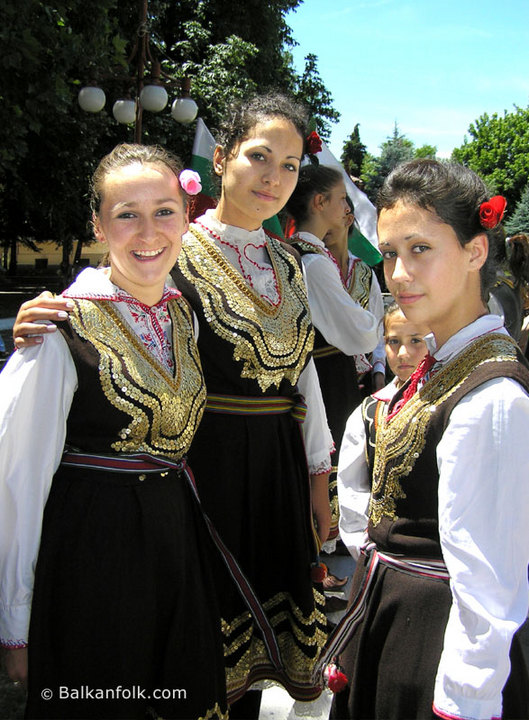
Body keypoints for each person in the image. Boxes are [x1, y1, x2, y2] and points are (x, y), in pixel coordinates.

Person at [12, 92, 333, 718]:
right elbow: (113, 298)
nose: (273, 178)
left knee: (222, 661)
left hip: (268, 472)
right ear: (221, 159)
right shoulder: (173, 251)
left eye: (291, 165)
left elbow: (303, 375)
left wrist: (317, 475)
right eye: (260, 157)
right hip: (197, 471)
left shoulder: (291, 265)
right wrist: (54, 317)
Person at [0, 144, 230, 719]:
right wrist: (16, 623)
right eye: (127, 213)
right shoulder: (56, 331)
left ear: (187, 219)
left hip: (175, 540)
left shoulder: (186, 313)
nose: (148, 231)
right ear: (98, 225)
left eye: (164, 211)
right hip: (92, 555)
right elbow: (15, 483)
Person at [323, 159, 529, 720]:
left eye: (420, 249)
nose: (398, 273)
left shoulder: (492, 398)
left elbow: (490, 585)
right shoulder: (445, 365)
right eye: (390, 253)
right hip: (395, 617)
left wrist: (465, 700)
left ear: (474, 252)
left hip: (435, 641)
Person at [286, 164, 380, 544]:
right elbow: (358, 335)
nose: (346, 207)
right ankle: (324, 542)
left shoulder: (291, 254)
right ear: (320, 201)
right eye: (342, 198)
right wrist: (374, 326)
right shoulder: (314, 262)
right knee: (329, 452)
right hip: (325, 372)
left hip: (315, 371)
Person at [337, 303, 429, 561]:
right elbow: (352, 489)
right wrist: (364, 550)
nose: (403, 353)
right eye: (393, 341)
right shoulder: (369, 413)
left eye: (415, 340)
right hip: (385, 556)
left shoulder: (448, 402)